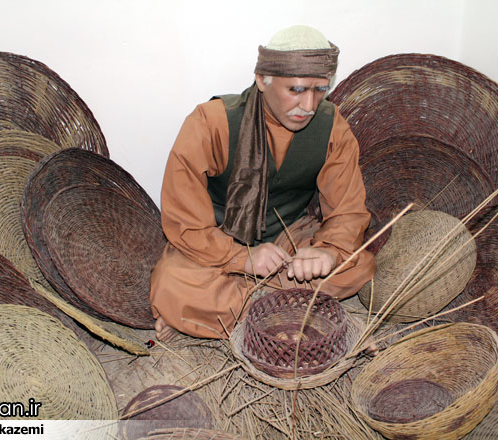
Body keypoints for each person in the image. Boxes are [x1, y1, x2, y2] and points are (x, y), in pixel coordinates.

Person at [150, 25, 375, 342]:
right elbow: (184, 220)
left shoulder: (332, 127)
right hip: (217, 238)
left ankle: (222, 312)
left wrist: (328, 252)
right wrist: (242, 258)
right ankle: (281, 308)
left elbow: (348, 211)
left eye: (320, 89)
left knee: (358, 266)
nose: (309, 105)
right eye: (296, 90)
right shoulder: (211, 123)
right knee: (172, 283)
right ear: (262, 80)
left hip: (289, 238)